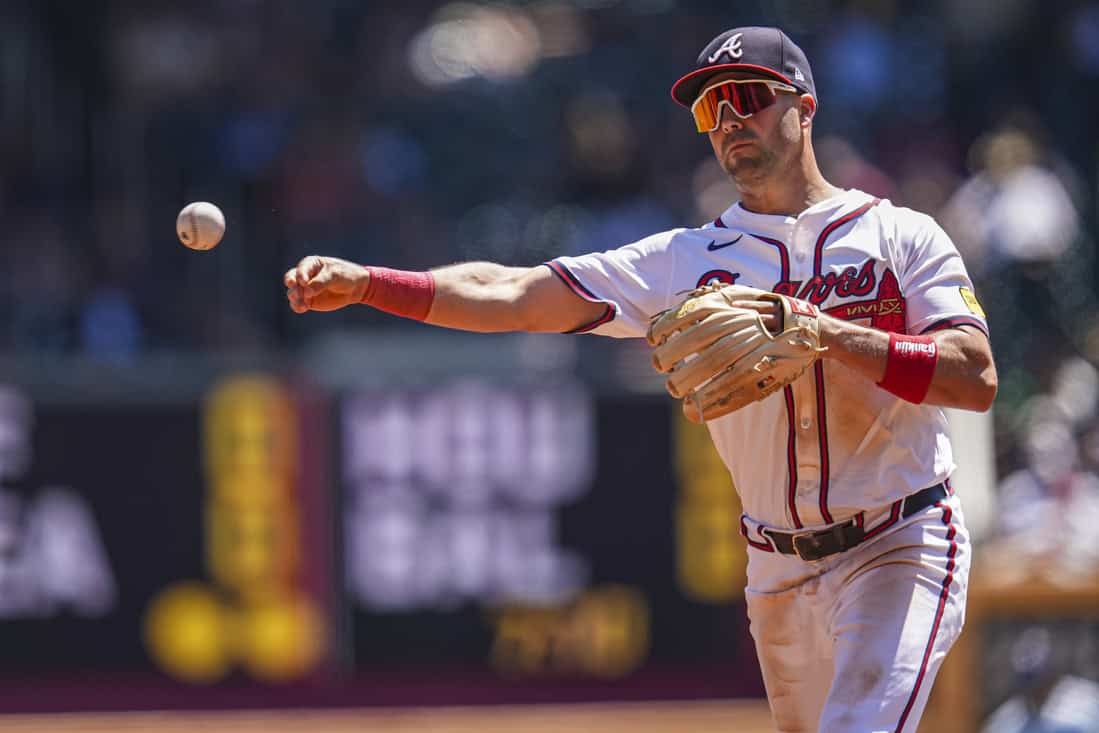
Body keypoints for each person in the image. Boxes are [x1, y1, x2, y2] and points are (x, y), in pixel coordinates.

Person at [284, 25, 997, 733]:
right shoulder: (685, 260)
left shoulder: (901, 236)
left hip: (898, 541)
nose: (727, 122)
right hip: (776, 565)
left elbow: (973, 376)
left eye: (746, 97)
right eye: (708, 110)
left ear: (803, 106)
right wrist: (372, 284)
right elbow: (514, 292)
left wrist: (831, 334)